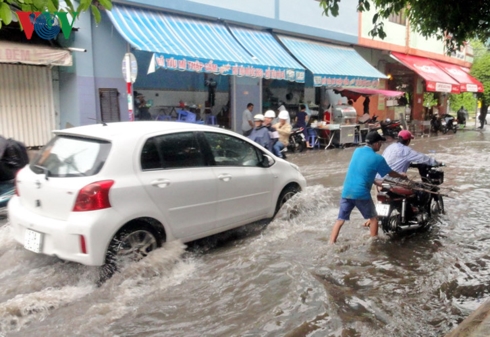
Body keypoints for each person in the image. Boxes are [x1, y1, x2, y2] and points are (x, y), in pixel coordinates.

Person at [328, 131, 407, 244]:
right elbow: (391, 173)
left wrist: (376, 182)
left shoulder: (357, 151)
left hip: (346, 192)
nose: (380, 146)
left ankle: (331, 243)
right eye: (380, 143)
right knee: (374, 218)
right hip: (361, 194)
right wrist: (401, 175)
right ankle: (374, 243)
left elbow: (362, 172)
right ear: (375, 144)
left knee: (340, 220)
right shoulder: (378, 158)